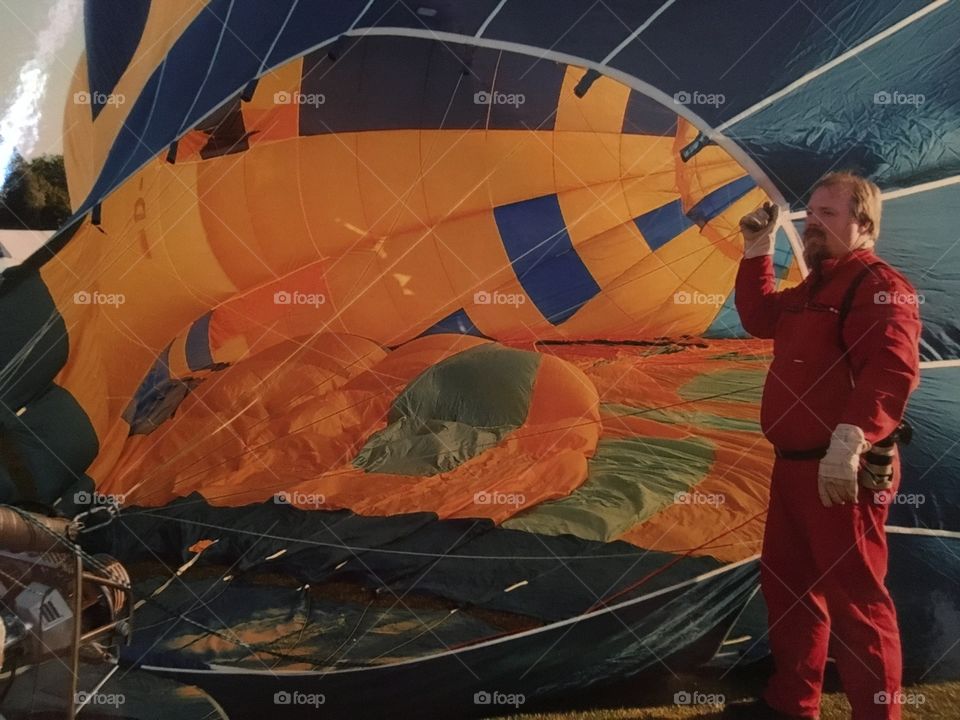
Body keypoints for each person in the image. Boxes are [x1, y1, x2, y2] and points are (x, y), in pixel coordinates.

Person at [723, 172, 922, 719]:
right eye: (810, 213)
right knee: (788, 589)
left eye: (828, 215)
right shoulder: (816, 286)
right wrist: (757, 248)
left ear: (864, 225)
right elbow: (760, 316)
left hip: (842, 473)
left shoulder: (878, 285)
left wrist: (850, 441)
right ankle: (793, 702)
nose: (813, 223)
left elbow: (891, 369)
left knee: (857, 604)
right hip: (792, 470)